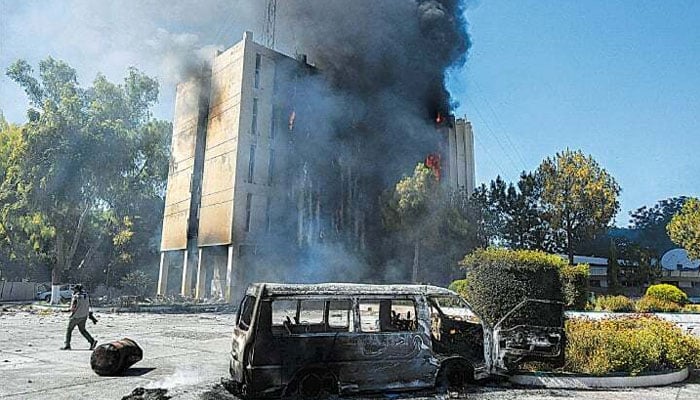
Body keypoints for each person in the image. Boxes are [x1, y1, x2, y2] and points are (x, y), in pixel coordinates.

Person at [61, 284, 97, 350]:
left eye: (74, 289)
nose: (73, 291)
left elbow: (73, 308)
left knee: (69, 330)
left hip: (76, 316)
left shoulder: (76, 297)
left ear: (77, 289)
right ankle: (92, 341)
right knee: (82, 330)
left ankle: (67, 345)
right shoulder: (86, 295)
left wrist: (66, 311)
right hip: (84, 315)